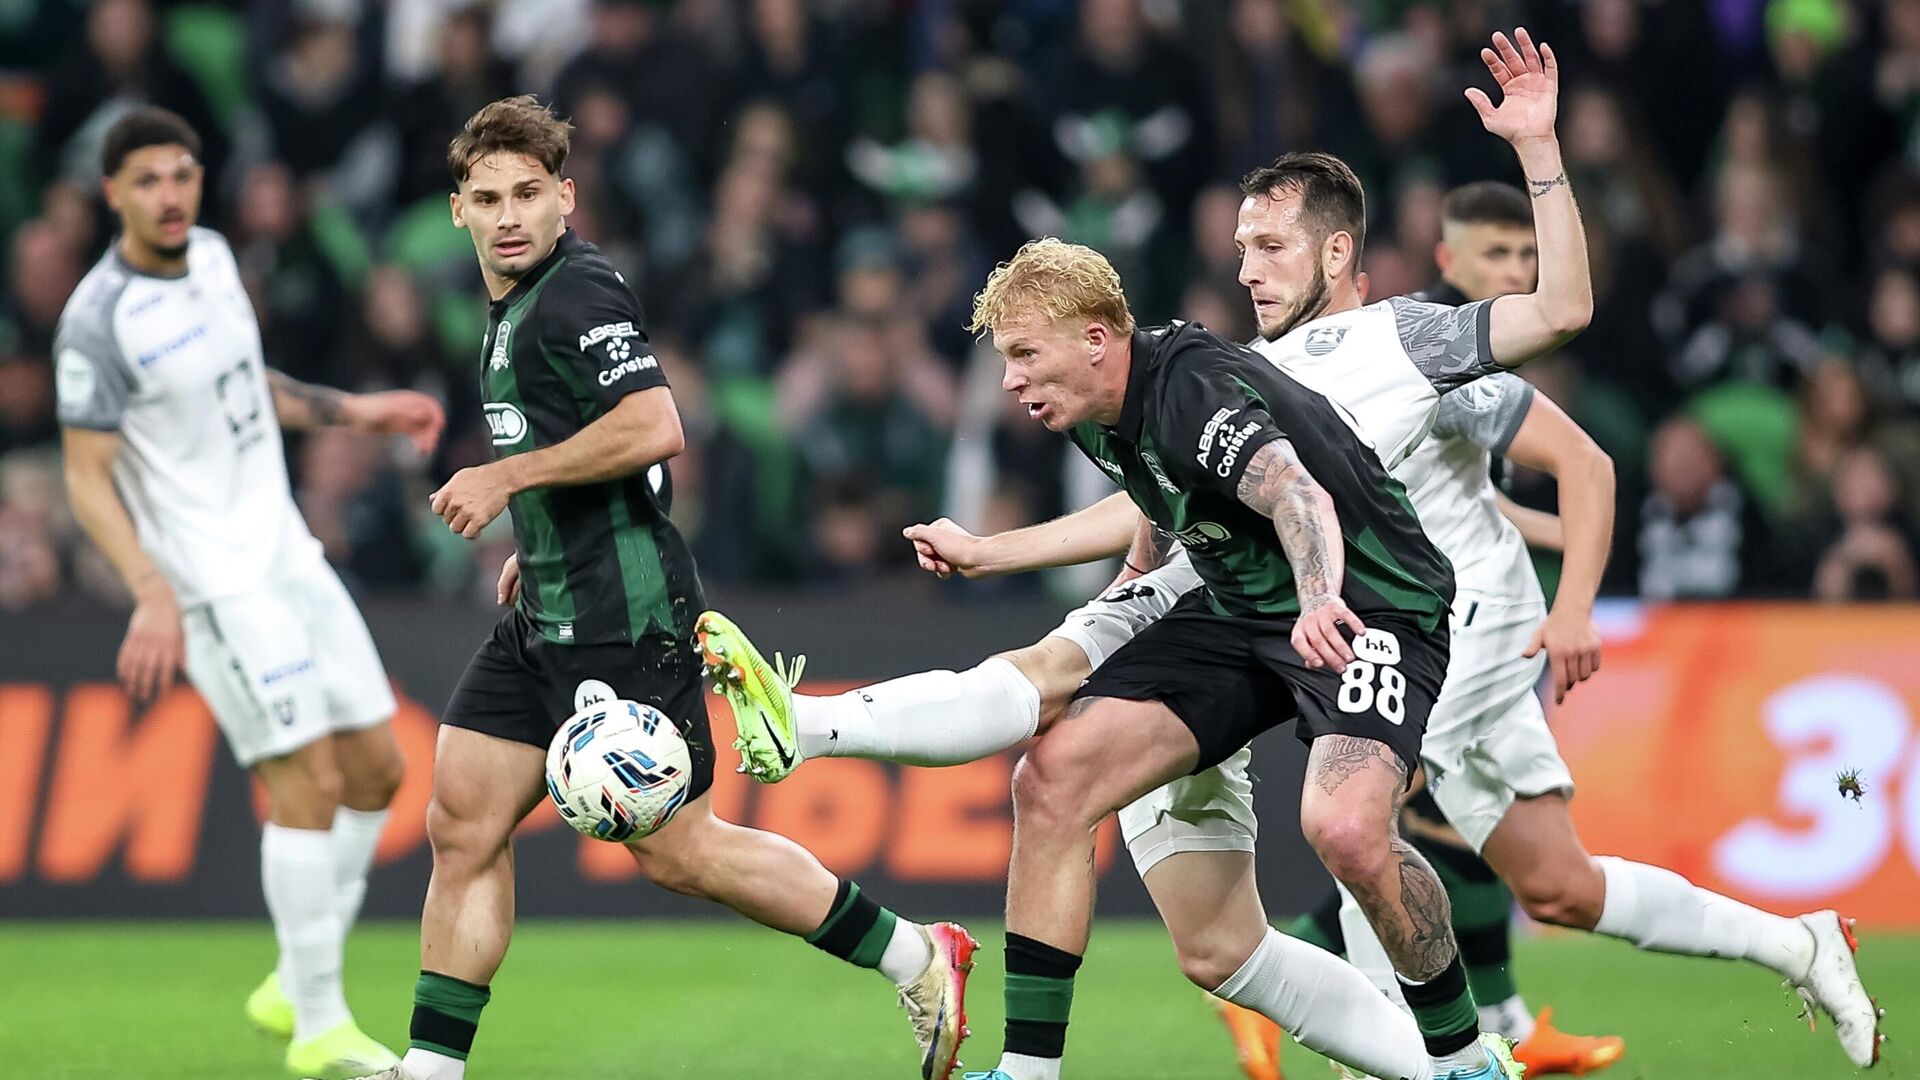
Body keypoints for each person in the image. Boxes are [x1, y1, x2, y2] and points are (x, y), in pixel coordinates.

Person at [704, 29, 1881, 1080]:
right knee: (1130, 837)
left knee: (1392, 842)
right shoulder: (1198, 376)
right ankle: (1558, 1018)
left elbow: (1558, 343)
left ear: (1334, 255)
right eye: (1239, 246)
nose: (1247, 267)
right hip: (1235, 604)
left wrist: (1538, 151)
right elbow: (1168, 501)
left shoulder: (1405, 340)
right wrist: (1004, 550)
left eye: (1270, 245)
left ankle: (1473, 1051)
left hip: (1383, 616)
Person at [341, 97, 974, 1080]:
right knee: (461, 823)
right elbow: (614, 456)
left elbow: (655, 427)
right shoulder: (511, 307)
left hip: (626, 618)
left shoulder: (575, 293)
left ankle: (915, 955)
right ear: (457, 209)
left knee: (683, 853)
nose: (509, 216)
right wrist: (541, 532)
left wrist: (508, 483)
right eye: (488, 198)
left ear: (566, 197)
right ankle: (431, 1070)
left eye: (528, 194)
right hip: (545, 609)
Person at [55, 107, 445, 1078]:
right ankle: (317, 1023)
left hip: (286, 552)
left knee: (379, 772)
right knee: (306, 781)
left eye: (182, 174)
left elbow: (245, 383)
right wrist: (149, 588)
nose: (170, 195)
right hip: (213, 584)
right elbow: (86, 478)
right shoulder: (96, 322)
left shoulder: (218, 258)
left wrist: (358, 412)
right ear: (112, 193)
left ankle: (291, 981)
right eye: (148, 180)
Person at [1214, 180, 1627, 1080]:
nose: (1513, 269)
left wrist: (1537, 148)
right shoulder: (1336, 354)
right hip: (1391, 621)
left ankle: (1463, 1025)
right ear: (1450, 257)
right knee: (1392, 819)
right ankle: (1435, 1029)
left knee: (1428, 827)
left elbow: (1489, 477)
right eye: (1498, 253)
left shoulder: (1418, 343)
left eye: (1524, 255)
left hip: (1441, 616)